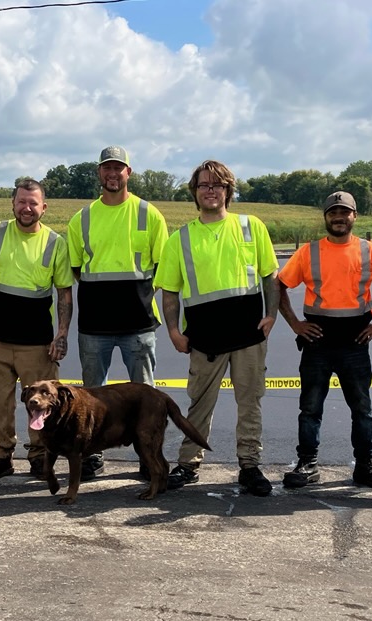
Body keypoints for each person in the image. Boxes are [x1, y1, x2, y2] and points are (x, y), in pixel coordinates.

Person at [152, 160, 279, 497]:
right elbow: (170, 291)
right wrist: (174, 332)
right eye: (204, 185)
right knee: (199, 404)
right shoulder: (179, 239)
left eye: (217, 185)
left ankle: (250, 466)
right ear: (195, 193)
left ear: (228, 191)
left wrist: (272, 315)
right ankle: (188, 464)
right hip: (205, 338)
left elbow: (270, 276)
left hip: (249, 334)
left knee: (250, 403)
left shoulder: (251, 227)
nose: (211, 190)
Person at [277, 191, 372, 491]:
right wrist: (295, 324)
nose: (339, 217)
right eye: (333, 213)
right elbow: (278, 285)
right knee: (310, 408)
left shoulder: (371, 251)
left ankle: (365, 465)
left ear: (355, 216)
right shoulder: (308, 252)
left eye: (345, 212)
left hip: (355, 342)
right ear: (326, 217)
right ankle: (307, 464)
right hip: (317, 342)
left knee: (362, 409)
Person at [66, 146, 169, 480]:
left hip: (138, 324)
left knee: (145, 397)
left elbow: (161, 267)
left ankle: (148, 458)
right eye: (107, 168)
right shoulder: (81, 219)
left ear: (129, 172)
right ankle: (92, 455)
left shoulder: (148, 214)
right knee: (92, 395)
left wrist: (136, 296)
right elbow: (78, 268)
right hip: (95, 325)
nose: (113, 174)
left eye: (118, 168)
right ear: (99, 173)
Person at [0, 178, 74, 480]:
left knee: (42, 408)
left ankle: (40, 457)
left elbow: (64, 295)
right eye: (21, 202)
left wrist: (62, 335)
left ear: (44, 207)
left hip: (38, 345)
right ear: (13, 203)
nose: (26, 208)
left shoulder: (56, 243)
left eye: (33, 203)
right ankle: (2, 456)